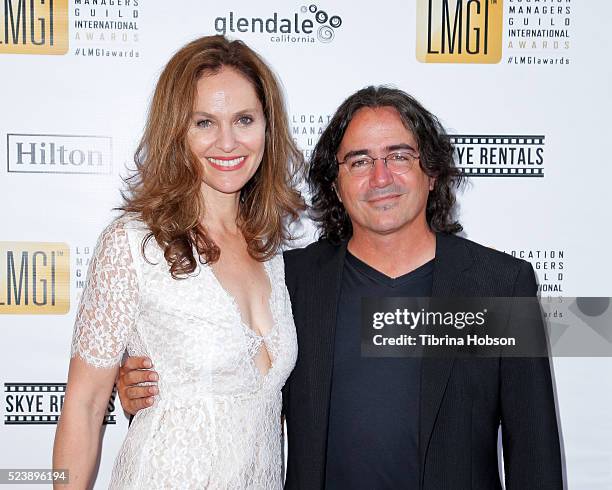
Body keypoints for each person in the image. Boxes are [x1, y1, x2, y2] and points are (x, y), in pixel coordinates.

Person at [118, 87, 564, 489]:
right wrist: (144, 384)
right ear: (336, 184)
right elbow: (230, 374)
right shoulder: (288, 280)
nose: (381, 177)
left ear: (431, 173)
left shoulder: (500, 285)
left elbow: (534, 452)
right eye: (360, 161)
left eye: (400, 156)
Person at [53, 35, 305, 489]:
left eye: (244, 119)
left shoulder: (271, 251)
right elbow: (85, 405)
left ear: (268, 127)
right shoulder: (133, 244)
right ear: (176, 131)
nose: (228, 142)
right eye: (204, 122)